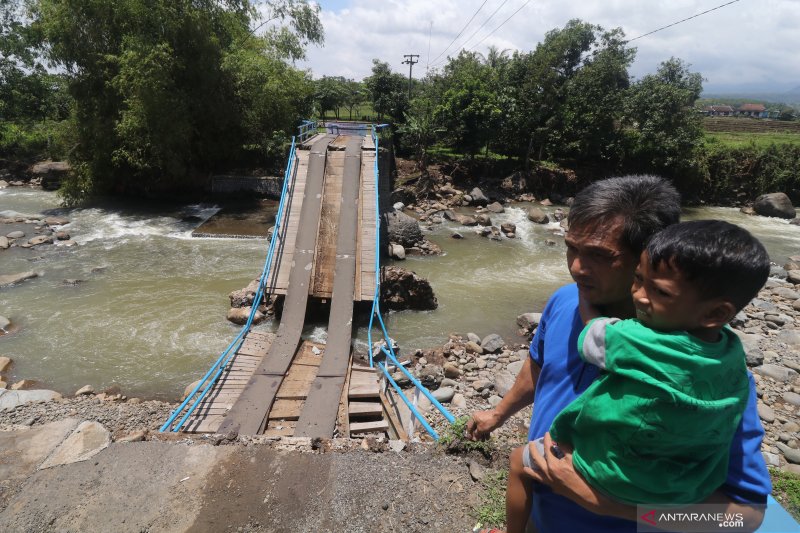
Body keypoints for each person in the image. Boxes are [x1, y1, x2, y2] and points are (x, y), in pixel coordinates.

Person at [467, 176, 771, 533]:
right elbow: (539, 365)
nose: (577, 267)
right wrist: (498, 413)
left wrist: (617, 506)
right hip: (541, 517)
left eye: (599, 255)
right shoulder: (565, 300)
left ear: (651, 255)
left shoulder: (706, 377)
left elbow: (745, 515)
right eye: (571, 248)